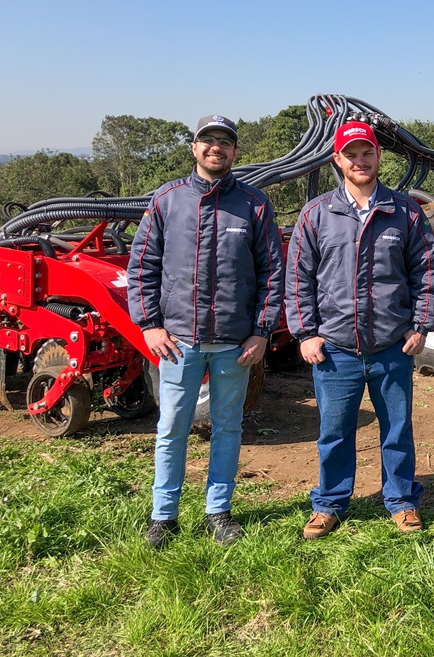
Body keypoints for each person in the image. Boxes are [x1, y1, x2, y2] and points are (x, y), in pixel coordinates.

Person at [128, 114, 285, 549]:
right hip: (179, 340)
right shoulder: (167, 201)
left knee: (227, 427)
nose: (217, 148)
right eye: (208, 140)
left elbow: (273, 272)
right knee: (172, 426)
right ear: (194, 148)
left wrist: (261, 332)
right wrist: (150, 324)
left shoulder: (253, 204)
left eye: (225, 142)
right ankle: (164, 516)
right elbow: (142, 265)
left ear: (235, 152)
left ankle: (219, 511)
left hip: (235, 344)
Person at [286, 121, 434, 539]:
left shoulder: (404, 210)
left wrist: (421, 326)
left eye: (367, 152)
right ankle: (330, 503)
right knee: (335, 431)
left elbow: (428, 270)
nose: (361, 160)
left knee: (396, 429)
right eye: (351, 154)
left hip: (392, 345)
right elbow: (298, 277)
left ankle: (402, 501)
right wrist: (306, 333)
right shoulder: (317, 213)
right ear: (338, 160)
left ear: (378, 157)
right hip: (335, 347)